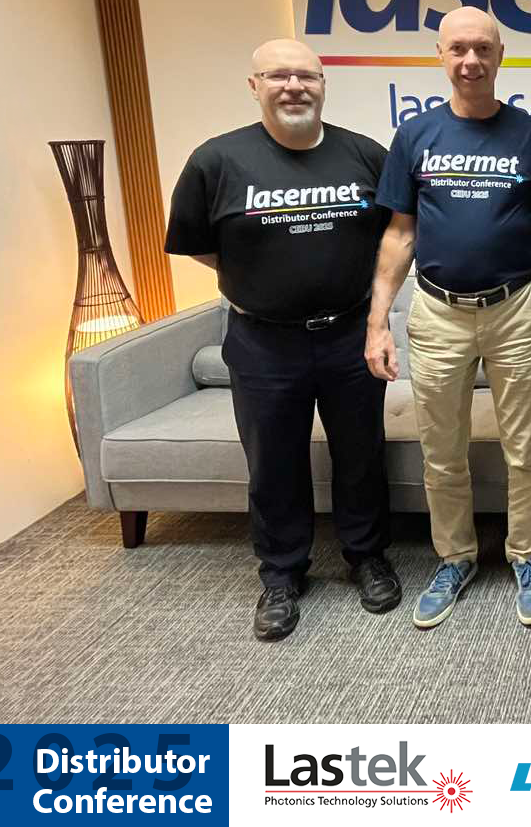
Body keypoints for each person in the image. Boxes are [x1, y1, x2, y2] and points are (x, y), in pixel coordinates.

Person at [165, 39, 400, 642]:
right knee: (272, 461)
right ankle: (281, 574)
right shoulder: (216, 161)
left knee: (360, 453)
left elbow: (393, 237)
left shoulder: (364, 154)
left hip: (349, 333)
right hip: (263, 341)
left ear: (323, 84)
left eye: (306, 76)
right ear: (254, 86)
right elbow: (196, 245)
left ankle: (367, 557)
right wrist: (262, 281)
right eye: (277, 76)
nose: (293, 87)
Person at [365, 7, 531, 629]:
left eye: (482, 48)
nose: (471, 61)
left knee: (526, 450)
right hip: (437, 313)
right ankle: (455, 558)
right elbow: (399, 234)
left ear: (500, 55)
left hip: (516, 310)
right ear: (441, 55)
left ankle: (527, 556)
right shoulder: (415, 136)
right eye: (458, 49)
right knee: (442, 451)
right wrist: (378, 321)